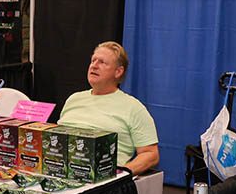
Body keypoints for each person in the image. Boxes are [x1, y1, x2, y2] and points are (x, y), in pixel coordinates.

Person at [58, 41, 160, 176]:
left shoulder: (133, 108)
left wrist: (121, 174)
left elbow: (151, 154)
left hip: (104, 180)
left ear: (118, 72)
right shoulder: (73, 99)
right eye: (93, 60)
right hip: (60, 173)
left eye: (102, 62)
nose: (94, 65)